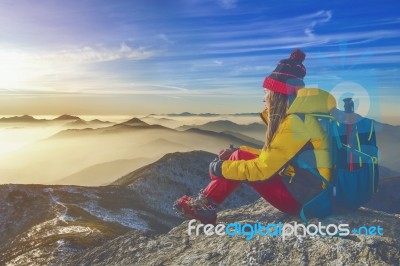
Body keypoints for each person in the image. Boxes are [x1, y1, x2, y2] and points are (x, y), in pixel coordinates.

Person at [174, 49, 337, 224]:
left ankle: (204, 207)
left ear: (277, 95)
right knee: (239, 156)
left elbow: (263, 169)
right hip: (310, 191)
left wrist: (220, 168)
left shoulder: (296, 123)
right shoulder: (303, 117)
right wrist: (240, 151)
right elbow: (277, 157)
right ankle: (205, 205)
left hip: (305, 200)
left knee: (240, 163)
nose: (264, 99)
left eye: (266, 93)